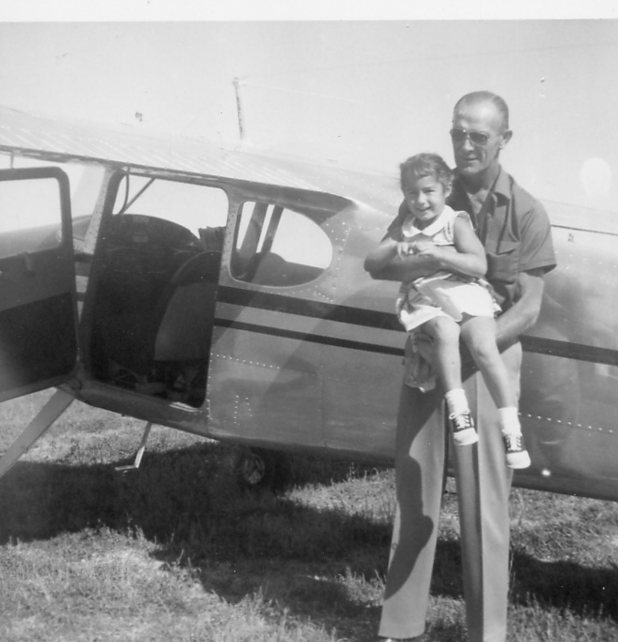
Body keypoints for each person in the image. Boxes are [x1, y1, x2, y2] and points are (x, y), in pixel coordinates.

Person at [364, 91, 556, 642]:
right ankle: (400, 629)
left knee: (485, 506)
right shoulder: (426, 195)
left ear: (504, 140)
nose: (465, 144)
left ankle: (485, 634)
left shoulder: (527, 211)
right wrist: (420, 265)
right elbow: (378, 261)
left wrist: (476, 343)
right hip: (429, 352)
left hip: (489, 353)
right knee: (413, 491)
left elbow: (531, 307)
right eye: (457, 133)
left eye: (478, 135)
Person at [385, 152, 531, 469]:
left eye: (428, 192)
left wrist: (437, 252)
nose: (420, 200)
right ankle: (458, 410)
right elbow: (378, 260)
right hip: (426, 295)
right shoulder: (405, 227)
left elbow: (478, 264)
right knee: (445, 331)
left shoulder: (455, 221)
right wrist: (398, 251)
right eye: (412, 193)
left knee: (484, 345)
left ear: (445, 190)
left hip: (463, 289)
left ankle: (512, 427)